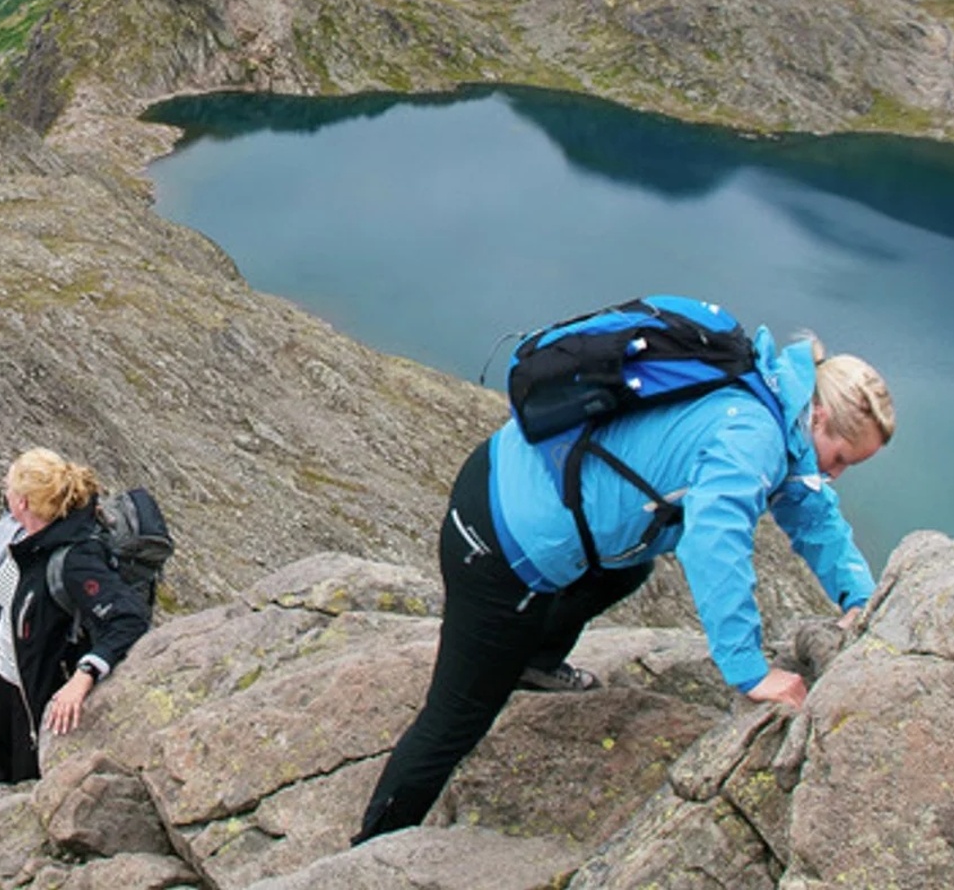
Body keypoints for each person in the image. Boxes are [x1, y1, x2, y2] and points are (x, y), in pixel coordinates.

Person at [354, 331, 895, 843]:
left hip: (503, 476)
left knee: (629, 566)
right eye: (842, 457)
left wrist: (861, 598)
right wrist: (750, 671)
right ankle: (371, 850)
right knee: (457, 719)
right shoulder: (754, 437)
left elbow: (813, 512)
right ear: (818, 417)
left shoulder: (765, 389)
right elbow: (715, 545)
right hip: (499, 544)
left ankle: (534, 661)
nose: (838, 474)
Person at [0, 448, 152, 783]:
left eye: (9, 487)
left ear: (23, 501)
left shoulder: (74, 559)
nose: (4, 491)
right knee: (1, 776)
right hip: (4, 679)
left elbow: (129, 619)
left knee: (26, 787)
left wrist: (84, 676)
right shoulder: (16, 533)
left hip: (40, 698)